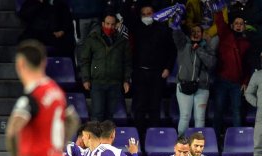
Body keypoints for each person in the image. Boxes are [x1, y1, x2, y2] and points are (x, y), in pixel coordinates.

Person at [130, 3, 176, 139]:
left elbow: (172, 51)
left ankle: (154, 138)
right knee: (139, 107)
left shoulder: (163, 29)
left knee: (155, 107)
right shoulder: (136, 29)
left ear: (154, 14)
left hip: (157, 74)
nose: (146, 16)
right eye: (143, 14)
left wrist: (168, 68)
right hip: (140, 73)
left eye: (149, 13)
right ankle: (138, 138)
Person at [80, 12, 132, 122]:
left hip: (115, 83)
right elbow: (85, 60)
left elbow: (127, 62)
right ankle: (95, 139)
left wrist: (126, 80)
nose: (110, 27)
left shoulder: (122, 41)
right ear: (103, 23)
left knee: (110, 118)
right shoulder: (92, 39)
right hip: (97, 83)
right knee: (97, 115)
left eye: (113, 24)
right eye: (107, 24)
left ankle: (106, 139)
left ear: (116, 25)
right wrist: (86, 79)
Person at [172, 24, 217, 136]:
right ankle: (182, 143)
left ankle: (197, 145)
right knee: (185, 116)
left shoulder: (207, 47)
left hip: (202, 87)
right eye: (193, 31)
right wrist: (176, 26)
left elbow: (211, 63)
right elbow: (177, 35)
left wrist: (198, 49)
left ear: (202, 34)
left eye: (198, 32)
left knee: (200, 118)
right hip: (184, 85)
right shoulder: (183, 45)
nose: (196, 34)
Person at [213, 10, 251, 136]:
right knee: (218, 110)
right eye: (236, 23)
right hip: (221, 81)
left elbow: (247, 65)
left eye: (241, 24)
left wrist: (245, 82)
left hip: (237, 83)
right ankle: (216, 138)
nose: (239, 25)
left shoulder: (247, 43)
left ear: (244, 26)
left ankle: (238, 139)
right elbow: (219, 21)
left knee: (237, 111)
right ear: (232, 25)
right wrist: (217, 9)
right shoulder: (225, 35)